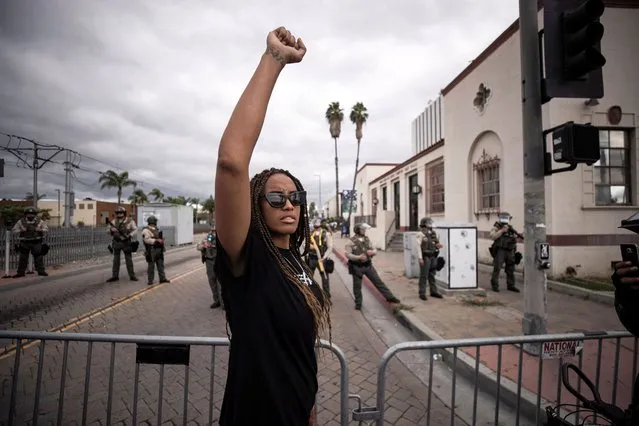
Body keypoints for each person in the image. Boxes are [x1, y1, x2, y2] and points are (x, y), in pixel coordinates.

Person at [213, 26, 330, 426]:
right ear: (255, 206)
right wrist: (274, 60)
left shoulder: (294, 258)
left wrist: (309, 410)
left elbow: (297, 350)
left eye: (295, 198)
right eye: (276, 198)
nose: (289, 205)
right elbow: (231, 159)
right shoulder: (248, 257)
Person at [345, 223, 401, 310]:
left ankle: (390, 297)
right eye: (362, 229)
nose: (364, 231)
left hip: (368, 266)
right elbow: (347, 254)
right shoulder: (351, 241)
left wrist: (373, 252)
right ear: (357, 230)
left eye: (364, 229)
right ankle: (358, 303)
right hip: (356, 267)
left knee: (378, 282)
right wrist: (358, 257)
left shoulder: (367, 239)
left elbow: (373, 249)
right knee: (357, 286)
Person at [489, 212, 523, 292]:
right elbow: (493, 237)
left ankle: (511, 285)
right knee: (497, 268)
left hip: (510, 250)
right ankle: (495, 285)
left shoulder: (511, 228)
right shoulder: (497, 227)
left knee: (510, 268)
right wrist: (501, 231)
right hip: (501, 250)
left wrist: (515, 238)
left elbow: (514, 239)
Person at [11, 207, 48, 277]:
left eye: (32, 214)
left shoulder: (40, 221)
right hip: (25, 242)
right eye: (29, 214)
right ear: (25, 214)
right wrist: (21, 230)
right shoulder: (21, 221)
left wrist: (40, 230)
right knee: (23, 258)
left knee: (39, 257)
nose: (30, 215)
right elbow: (14, 230)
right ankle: (20, 273)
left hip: (36, 242)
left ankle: (41, 271)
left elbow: (46, 229)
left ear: (35, 214)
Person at [106, 206, 138, 282]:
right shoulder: (113, 222)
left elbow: (135, 229)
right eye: (118, 213)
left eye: (121, 213)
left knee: (128, 260)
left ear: (124, 213)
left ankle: (132, 275)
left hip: (126, 242)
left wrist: (130, 235)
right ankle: (115, 276)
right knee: (116, 260)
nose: (119, 214)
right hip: (116, 242)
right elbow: (107, 231)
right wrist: (111, 230)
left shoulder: (130, 221)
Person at [415, 217, 443, 300]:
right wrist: (420, 258)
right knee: (424, 275)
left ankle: (433, 291)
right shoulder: (420, 234)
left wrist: (438, 246)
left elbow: (435, 243)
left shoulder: (433, 233)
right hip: (425, 257)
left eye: (431, 223)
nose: (430, 224)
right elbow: (418, 247)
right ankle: (422, 293)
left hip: (433, 256)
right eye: (429, 223)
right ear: (425, 224)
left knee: (432, 275)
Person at [306, 218, 332, 298]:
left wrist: (324, 257)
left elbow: (330, 247)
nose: (316, 227)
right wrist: (309, 246)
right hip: (312, 259)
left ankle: (327, 296)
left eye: (317, 225)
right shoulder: (310, 233)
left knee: (325, 278)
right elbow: (304, 244)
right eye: (315, 225)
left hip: (322, 260)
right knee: (309, 277)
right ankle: (309, 295)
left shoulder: (326, 234)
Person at [141, 215, 170, 286]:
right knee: (151, 266)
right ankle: (150, 280)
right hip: (151, 250)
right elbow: (146, 240)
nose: (156, 222)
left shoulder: (156, 229)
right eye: (155, 221)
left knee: (160, 265)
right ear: (153, 222)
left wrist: (161, 242)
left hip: (159, 250)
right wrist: (156, 240)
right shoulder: (146, 230)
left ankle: (162, 278)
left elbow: (158, 238)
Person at [197, 225, 221, 308]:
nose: (213, 232)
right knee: (212, 280)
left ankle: (223, 302)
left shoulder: (222, 236)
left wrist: (214, 246)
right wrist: (204, 245)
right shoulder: (207, 237)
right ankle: (216, 300)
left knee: (220, 282)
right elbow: (198, 246)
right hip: (209, 261)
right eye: (212, 230)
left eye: (215, 230)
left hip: (219, 261)